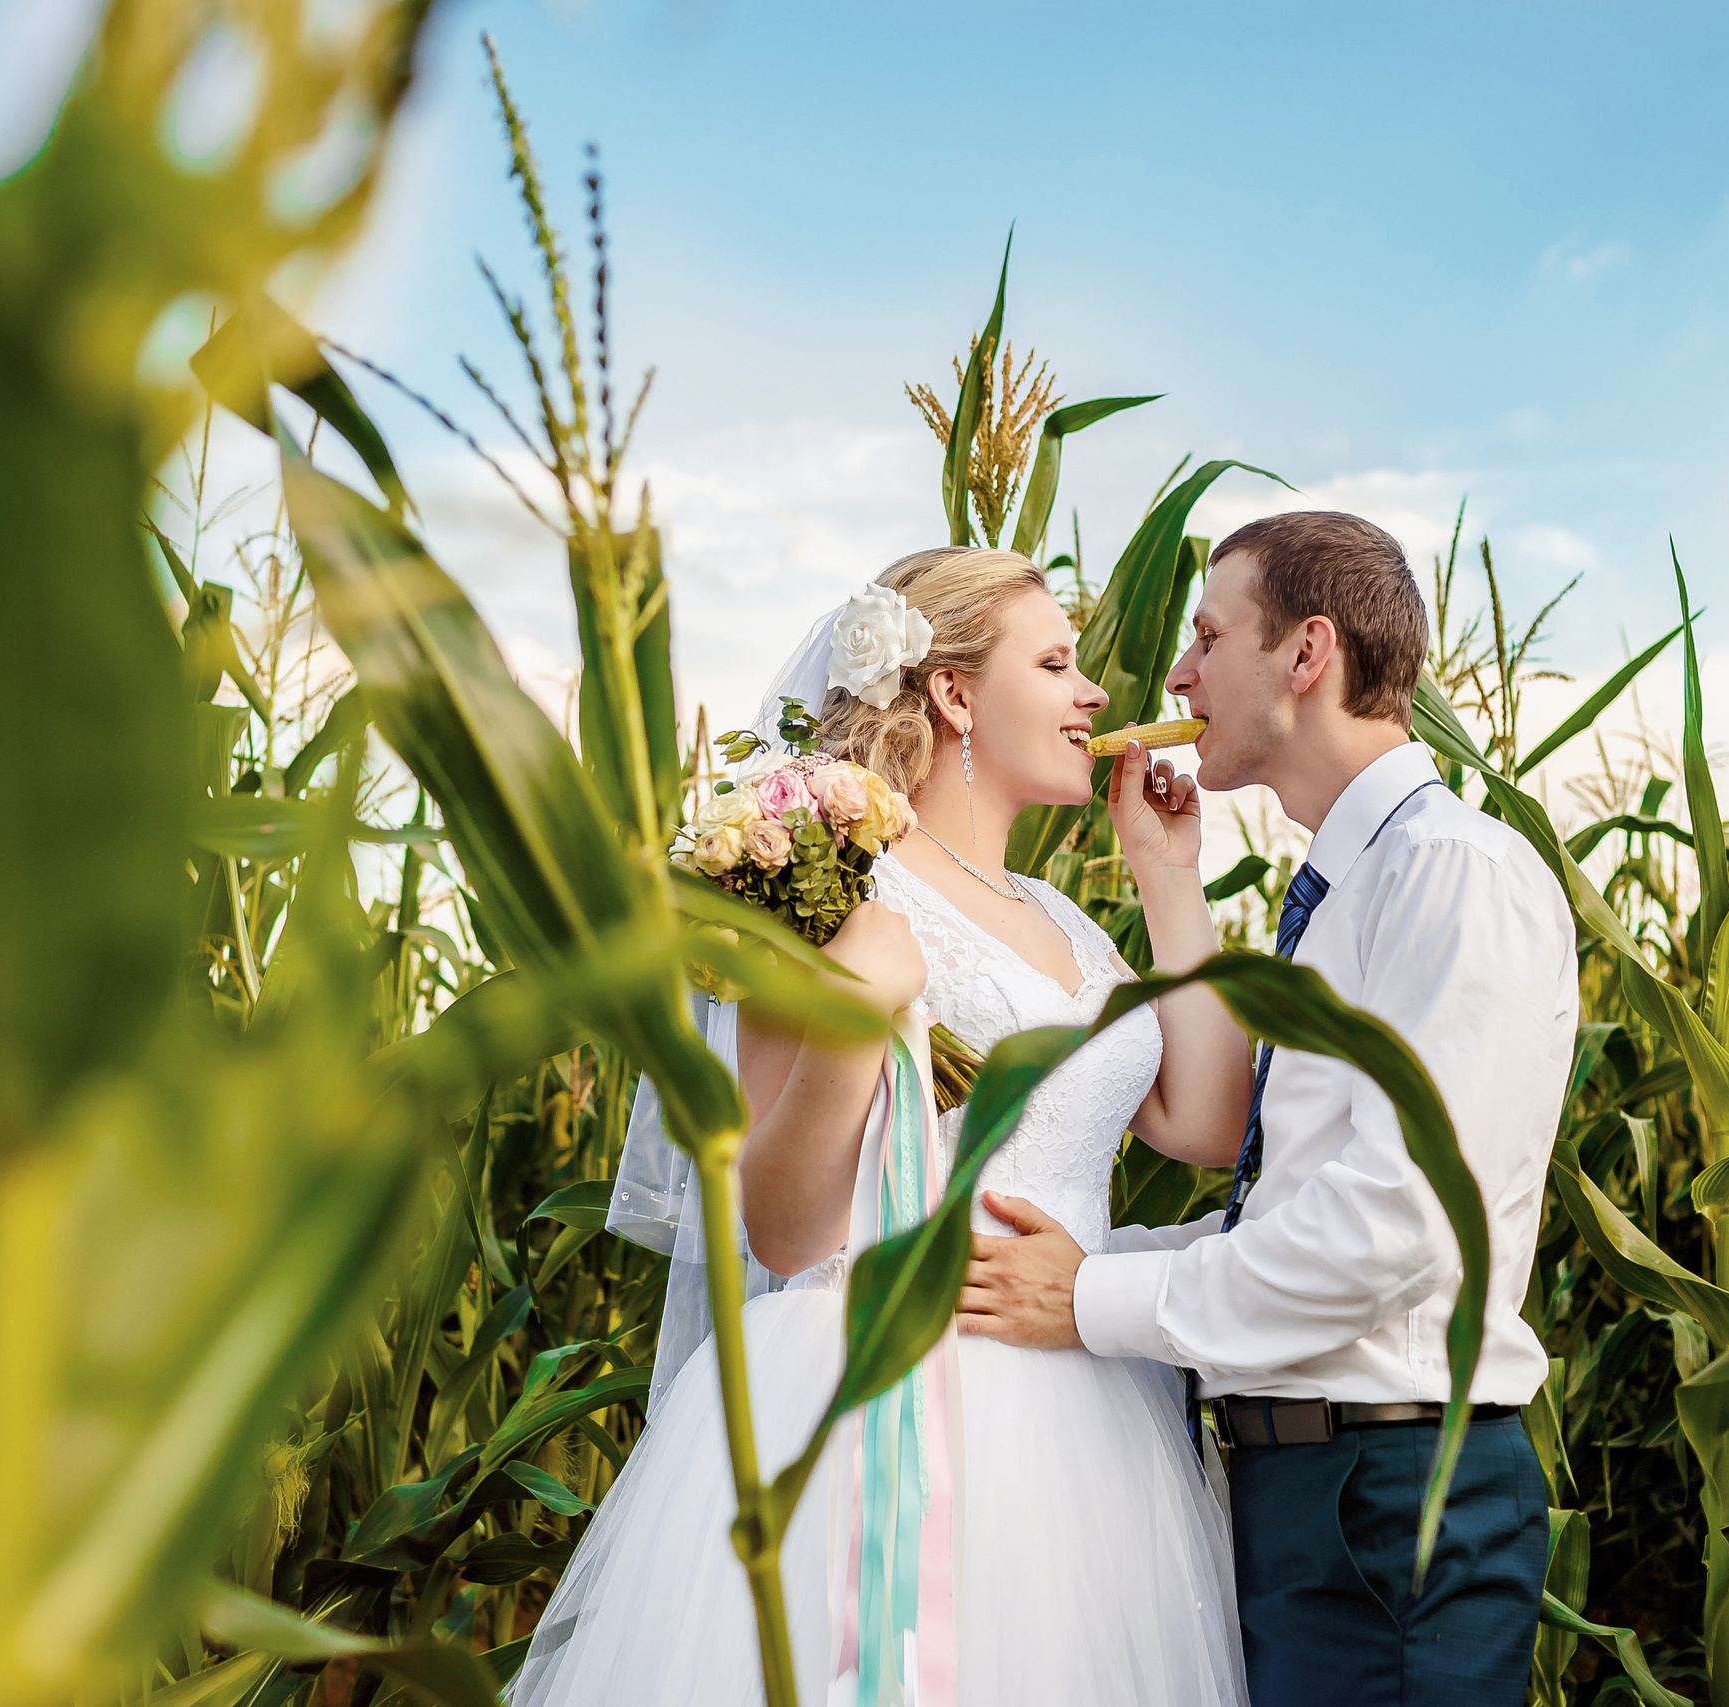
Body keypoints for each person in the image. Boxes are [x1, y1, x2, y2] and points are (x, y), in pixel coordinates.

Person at [507, 546, 1253, 1706]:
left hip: (1093, 1416)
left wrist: (1168, 876)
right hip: (883, 1395)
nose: (1096, 694)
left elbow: (1206, 1123)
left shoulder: (1065, 921)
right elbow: (783, 1228)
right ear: (953, 694)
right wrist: (858, 1010)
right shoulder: (831, 890)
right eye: (1055, 663)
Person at [956, 512, 1581, 1707]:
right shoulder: (1352, 889)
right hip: (1307, 1492)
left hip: (1389, 1497)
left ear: (1306, 654)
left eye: (1205, 634)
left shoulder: (1453, 873)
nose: (1176, 675)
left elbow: (1395, 1233)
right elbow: (1282, 1207)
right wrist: (1070, 1259)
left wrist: (1086, 1297)